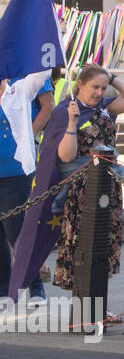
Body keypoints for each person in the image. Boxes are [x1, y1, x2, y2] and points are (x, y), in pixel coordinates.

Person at [50, 64, 124, 292]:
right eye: (95, 87)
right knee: (83, 250)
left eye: (103, 88)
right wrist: (72, 123)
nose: (100, 92)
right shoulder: (65, 111)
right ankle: (85, 307)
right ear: (80, 85)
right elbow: (66, 155)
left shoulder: (104, 108)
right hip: (82, 190)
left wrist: (110, 77)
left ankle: (98, 305)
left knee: (103, 249)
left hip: (107, 186)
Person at [0, 74, 50, 307]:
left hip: (15, 164)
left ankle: (34, 284)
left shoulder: (28, 66)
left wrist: (26, 136)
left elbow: (47, 107)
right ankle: (3, 289)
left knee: (16, 229)